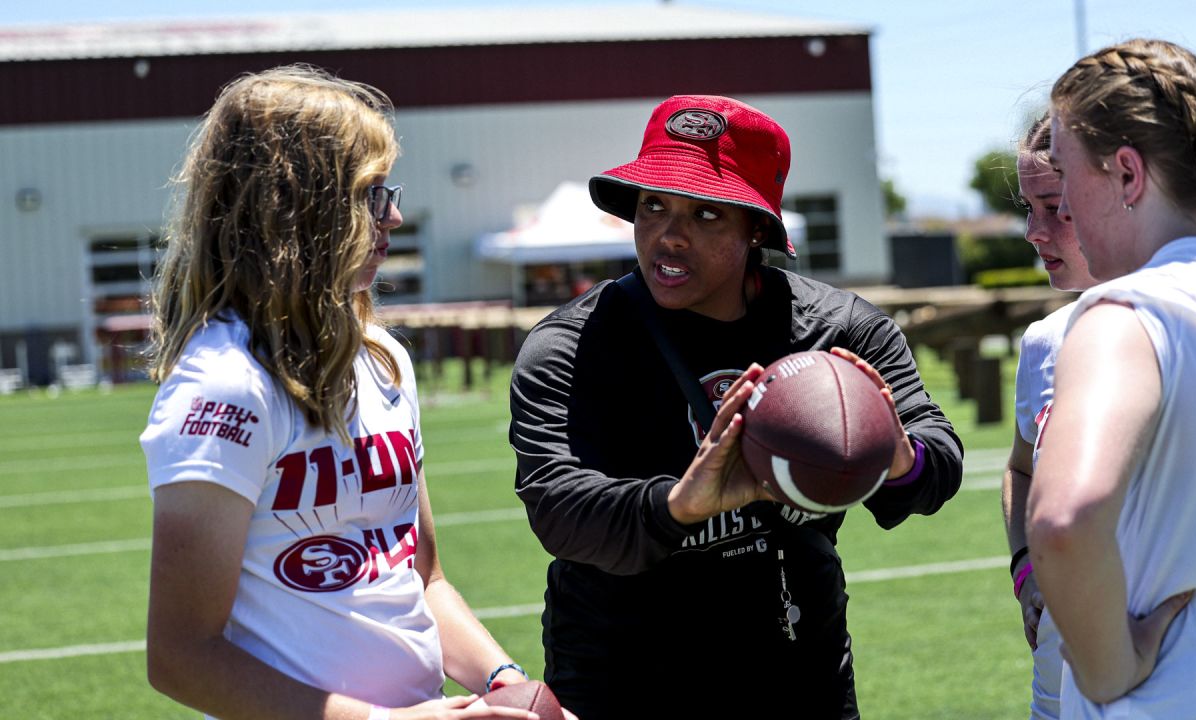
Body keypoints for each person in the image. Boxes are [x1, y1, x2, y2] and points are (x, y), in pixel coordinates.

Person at [509, 94, 964, 720]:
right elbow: (557, 509)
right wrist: (682, 503)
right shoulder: (572, 343)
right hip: (623, 678)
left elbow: (937, 464)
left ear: (757, 229)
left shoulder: (839, 330)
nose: (669, 235)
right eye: (653, 206)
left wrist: (890, 452)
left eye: (706, 214)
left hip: (798, 669)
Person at [141, 66, 545, 720]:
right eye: (372, 193)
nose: (396, 215)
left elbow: (421, 578)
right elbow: (183, 656)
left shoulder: (383, 358)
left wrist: (506, 683)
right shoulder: (225, 384)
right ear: (292, 206)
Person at [1027, 39, 1196, 718]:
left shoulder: (1125, 316)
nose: (1066, 206)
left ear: (1128, 175)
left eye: (1068, 172)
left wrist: (1108, 671)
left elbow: (1062, 520)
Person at [1001, 112, 1100, 720]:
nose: (1033, 234)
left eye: (1054, 208)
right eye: (1028, 209)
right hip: (1059, 676)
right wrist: (1025, 569)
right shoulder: (1044, 340)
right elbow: (1021, 471)